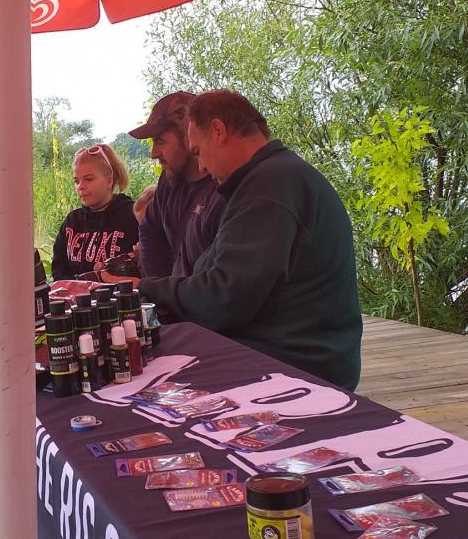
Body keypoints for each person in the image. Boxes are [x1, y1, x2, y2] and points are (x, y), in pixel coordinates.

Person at [139, 90, 362, 390]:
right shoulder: (271, 178)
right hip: (280, 352)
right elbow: (217, 279)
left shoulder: (271, 187)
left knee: (144, 384)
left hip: (299, 366)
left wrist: (145, 288)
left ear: (218, 130)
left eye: (198, 151)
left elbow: (222, 300)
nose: (201, 166)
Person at [128, 91, 224, 281]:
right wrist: (162, 287)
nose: (153, 153)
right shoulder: (168, 181)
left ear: (189, 135)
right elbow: (150, 230)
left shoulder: (224, 185)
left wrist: (175, 291)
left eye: (160, 141)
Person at [50, 143, 139, 280]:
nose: (81, 186)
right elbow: (58, 271)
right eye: (76, 181)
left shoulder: (132, 217)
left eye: (89, 179)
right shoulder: (72, 221)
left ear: (109, 181)